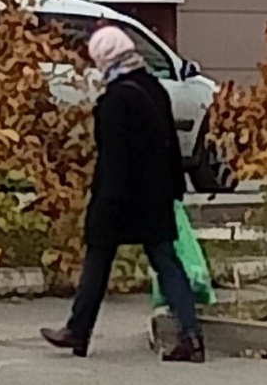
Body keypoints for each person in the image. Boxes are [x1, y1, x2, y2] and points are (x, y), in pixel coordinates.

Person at [42, 25, 206, 362]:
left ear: (105, 59)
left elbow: (113, 159)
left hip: (121, 197)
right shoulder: (156, 89)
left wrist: (105, 203)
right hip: (156, 195)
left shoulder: (114, 100)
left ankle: (78, 331)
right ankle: (191, 336)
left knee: (98, 259)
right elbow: (170, 145)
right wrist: (176, 189)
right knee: (166, 262)